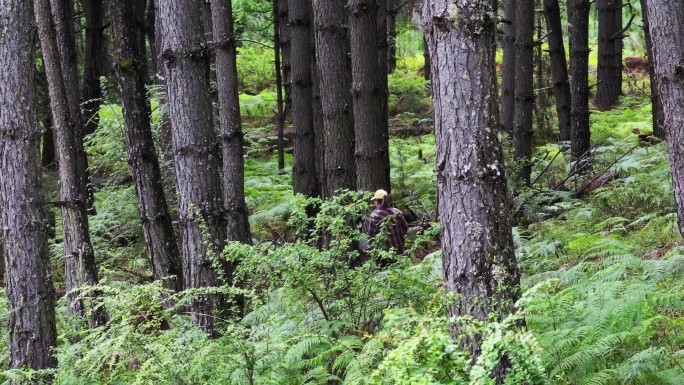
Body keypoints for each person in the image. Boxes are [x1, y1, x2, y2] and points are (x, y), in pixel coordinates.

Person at [366, 189, 409, 255]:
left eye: (374, 200)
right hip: (401, 251)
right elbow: (405, 228)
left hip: (386, 255)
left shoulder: (374, 215)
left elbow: (371, 236)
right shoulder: (396, 211)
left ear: (376, 201)